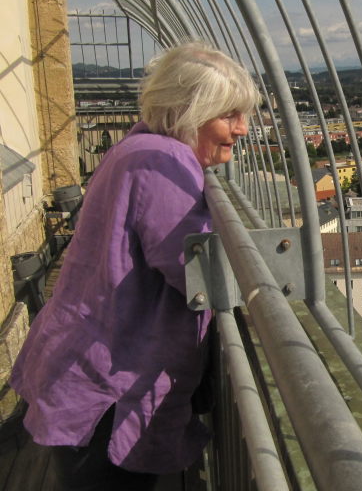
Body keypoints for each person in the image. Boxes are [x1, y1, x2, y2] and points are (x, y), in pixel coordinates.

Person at [10, 42, 259, 490]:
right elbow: (193, 270)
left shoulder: (141, 147)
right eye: (230, 115)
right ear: (190, 111)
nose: (242, 129)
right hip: (109, 383)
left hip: (90, 363)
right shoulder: (162, 162)